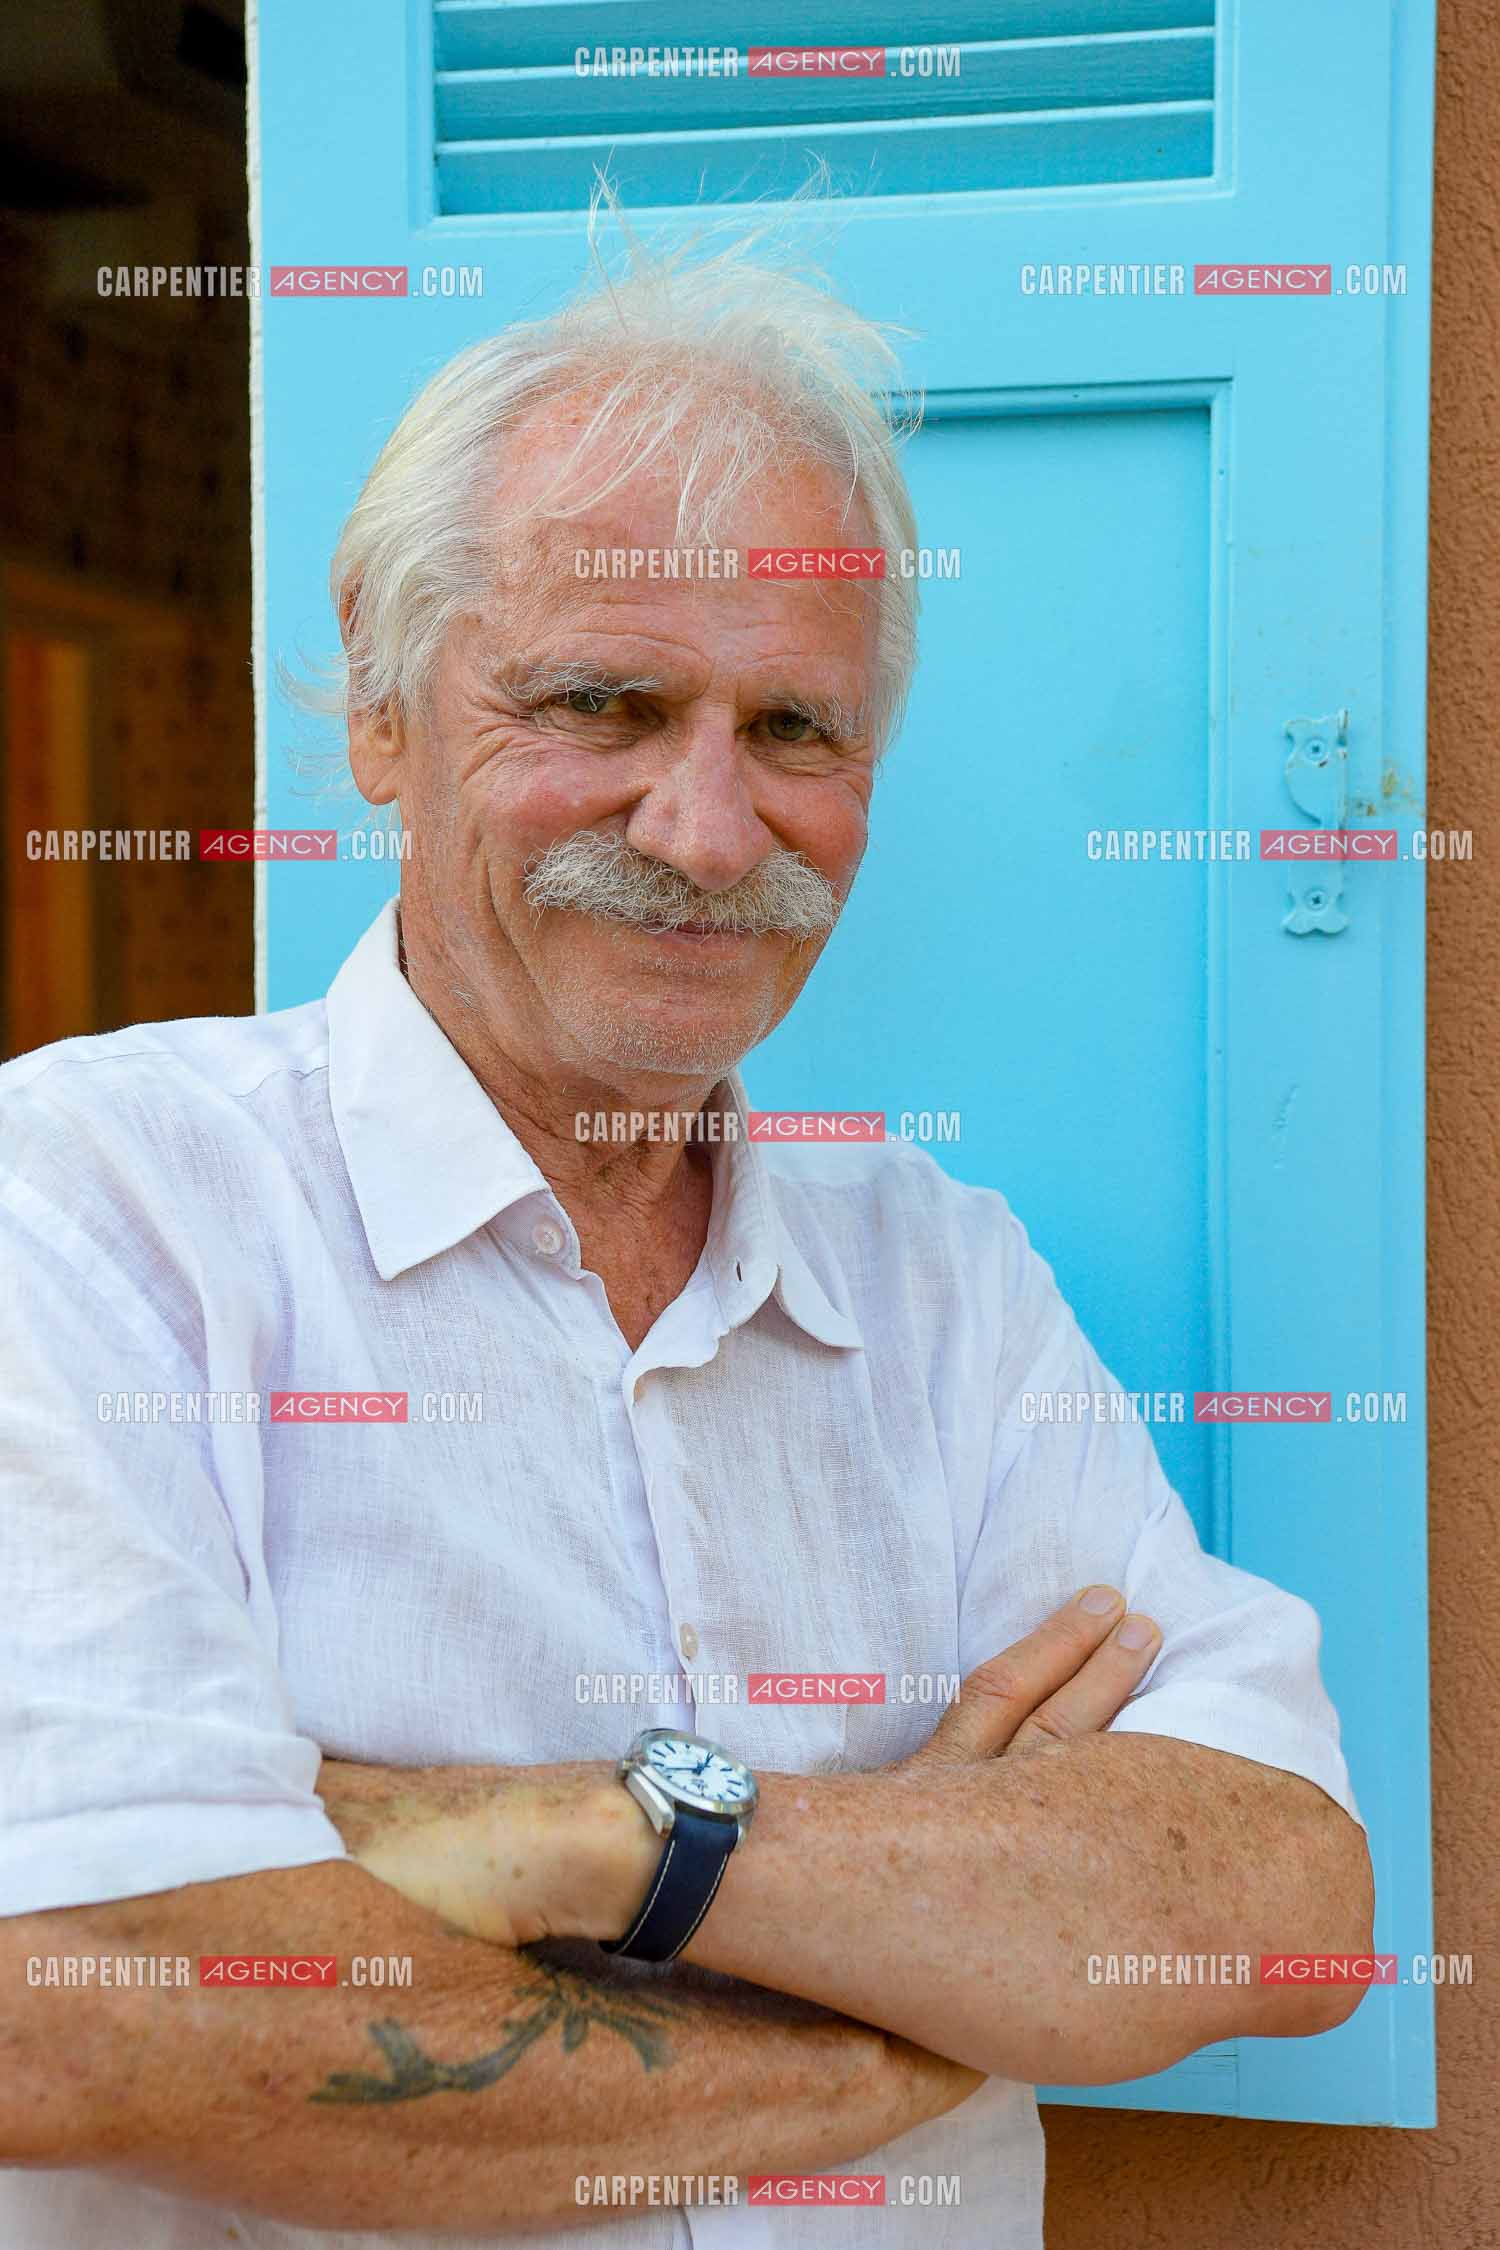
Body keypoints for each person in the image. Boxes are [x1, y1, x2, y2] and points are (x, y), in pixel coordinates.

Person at [0, 219, 1372, 2248]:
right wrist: (917, 2021)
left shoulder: (943, 1276)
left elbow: (1271, 1903)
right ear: (382, 718)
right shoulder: (90, 1204)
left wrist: (590, 1837)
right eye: (604, 705)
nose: (710, 833)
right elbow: (94, 2011)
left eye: (796, 734)